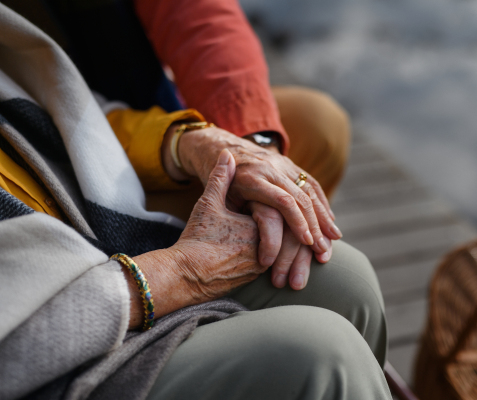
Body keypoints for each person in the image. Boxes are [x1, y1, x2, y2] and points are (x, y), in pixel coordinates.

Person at [0, 3, 392, 400]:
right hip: (62, 332)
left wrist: (198, 143)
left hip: (86, 214)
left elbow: (56, 109)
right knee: (325, 353)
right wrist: (178, 274)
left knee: (346, 277)